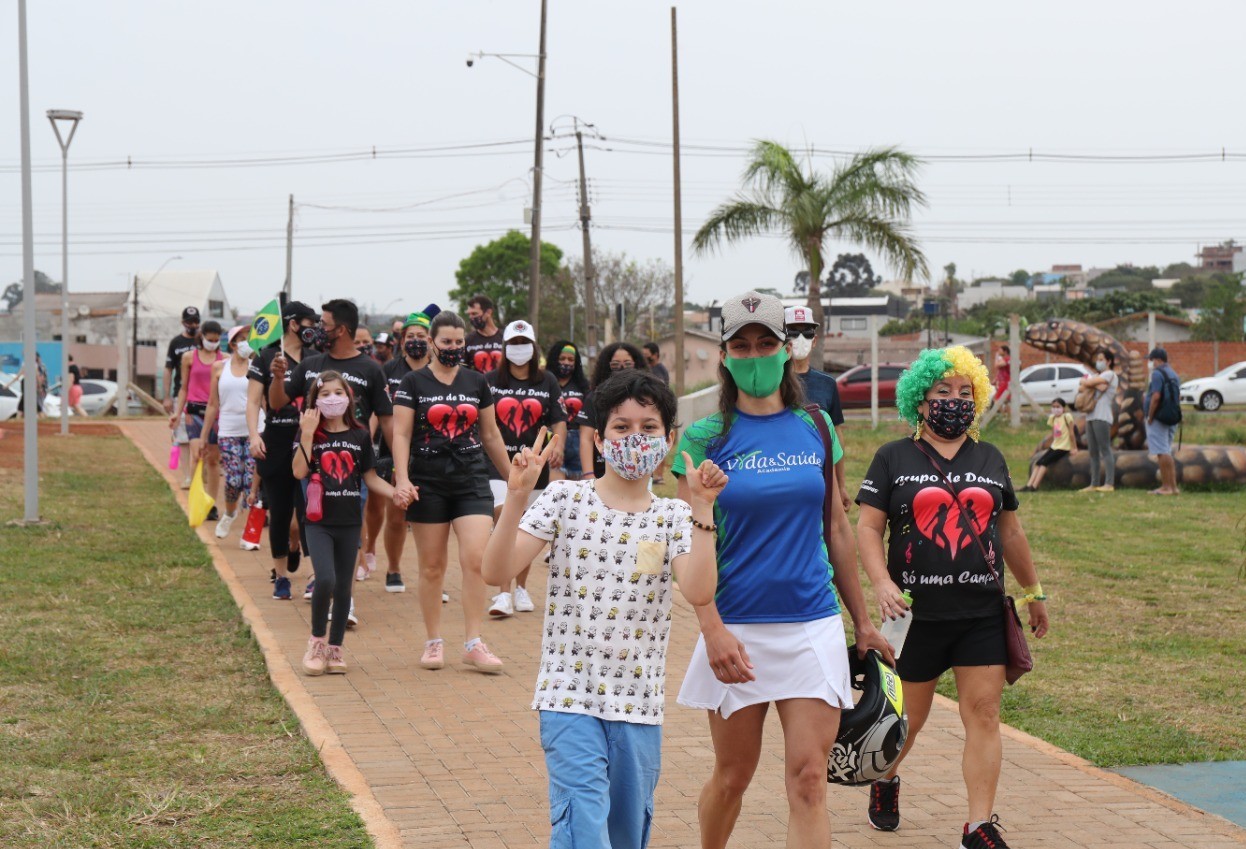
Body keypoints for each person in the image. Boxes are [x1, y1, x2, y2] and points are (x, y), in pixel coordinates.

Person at [672, 290, 891, 849]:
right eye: (740, 346)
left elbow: (837, 528)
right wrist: (712, 629)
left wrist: (862, 621)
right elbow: (690, 545)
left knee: (809, 779)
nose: (753, 355)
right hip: (737, 630)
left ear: (785, 347)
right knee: (732, 777)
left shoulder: (816, 426)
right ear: (723, 355)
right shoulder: (703, 439)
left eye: (765, 343)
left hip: (811, 623)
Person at [482, 370, 724, 849]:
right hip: (567, 698)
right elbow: (496, 571)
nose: (635, 438)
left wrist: (704, 509)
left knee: (627, 832)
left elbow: (698, 591)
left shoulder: (673, 516)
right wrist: (514, 496)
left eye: (649, 427)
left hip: (638, 705)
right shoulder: (564, 499)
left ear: (670, 439)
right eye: (621, 426)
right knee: (583, 827)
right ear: (599, 436)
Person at [855, 345, 1049, 849]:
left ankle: (978, 825)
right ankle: (886, 780)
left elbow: (1010, 533)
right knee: (909, 721)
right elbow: (868, 528)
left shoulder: (990, 458)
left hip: (981, 612)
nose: (955, 401)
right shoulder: (892, 457)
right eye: (943, 392)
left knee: (983, 713)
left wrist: (1033, 592)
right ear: (920, 401)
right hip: (913, 617)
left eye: (966, 392)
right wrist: (881, 582)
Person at [390, 311, 513, 673]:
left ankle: (474, 642)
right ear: (431, 342)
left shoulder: (477, 382)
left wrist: (511, 479)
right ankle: (433, 641)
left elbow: (490, 435)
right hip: (427, 480)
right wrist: (401, 479)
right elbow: (401, 434)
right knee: (431, 567)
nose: (453, 348)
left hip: (472, 477)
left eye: (459, 342)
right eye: (446, 342)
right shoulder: (412, 383)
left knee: (476, 559)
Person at [271, 298, 393, 617]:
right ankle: (326, 586)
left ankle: (345, 598)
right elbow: (278, 400)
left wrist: (400, 467)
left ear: (341, 329)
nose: (317, 330)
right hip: (313, 464)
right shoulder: (309, 365)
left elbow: (387, 417)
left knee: (351, 531)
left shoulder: (370, 369)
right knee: (318, 522)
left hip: (355, 465)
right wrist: (276, 377)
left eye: (323, 325)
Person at [293, 371, 409, 676]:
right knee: (326, 580)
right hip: (318, 522)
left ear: (349, 397)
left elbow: (369, 478)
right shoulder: (310, 433)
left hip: (349, 522)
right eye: (325, 394)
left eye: (338, 393)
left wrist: (396, 492)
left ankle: (335, 647)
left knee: (345, 586)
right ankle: (317, 641)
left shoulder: (359, 435)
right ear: (314, 401)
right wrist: (306, 433)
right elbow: (297, 472)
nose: (332, 399)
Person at [485, 320, 568, 619]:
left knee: (528, 524)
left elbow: (558, 417)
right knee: (505, 518)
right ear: (505, 348)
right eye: (513, 344)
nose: (519, 350)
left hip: (534, 465)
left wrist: (556, 445)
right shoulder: (491, 380)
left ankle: (520, 587)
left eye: (524, 344)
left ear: (533, 348)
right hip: (498, 465)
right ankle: (503, 593)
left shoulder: (547, 381)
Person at [248, 300, 318, 600]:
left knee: (309, 511)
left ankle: (315, 574)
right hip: (276, 441)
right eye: (309, 323)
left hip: (309, 440)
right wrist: (254, 435)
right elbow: (252, 402)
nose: (313, 329)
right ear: (293, 324)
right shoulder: (266, 357)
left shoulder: (317, 358)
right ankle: (281, 576)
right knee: (279, 512)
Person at [372, 305, 440, 593]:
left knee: (435, 518)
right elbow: (377, 409)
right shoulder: (389, 370)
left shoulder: (440, 370)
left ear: (431, 340)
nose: (416, 340)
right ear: (401, 342)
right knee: (397, 515)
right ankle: (394, 568)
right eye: (410, 335)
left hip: (433, 452)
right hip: (394, 451)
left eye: (422, 336)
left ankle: (433, 575)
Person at [785, 305, 849, 511]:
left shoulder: (827, 384)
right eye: (793, 332)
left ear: (815, 340)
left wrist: (841, 485)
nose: (800, 338)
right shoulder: (772, 383)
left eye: (807, 332)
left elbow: (836, 434)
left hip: (821, 477)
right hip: (785, 472)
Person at [201, 326, 259, 540]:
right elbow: (212, 404)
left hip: (255, 430)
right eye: (240, 339)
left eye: (248, 339)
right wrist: (205, 436)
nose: (245, 343)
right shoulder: (219, 368)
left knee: (252, 480)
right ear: (232, 344)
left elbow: (263, 402)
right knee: (234, 480)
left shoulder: (257, 367)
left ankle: (250, 532)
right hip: (228, 431)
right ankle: (230, 513)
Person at [170, 320, 225, 520]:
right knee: (196, 455)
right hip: (193, 411)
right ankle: (196, 499)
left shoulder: (224, 359)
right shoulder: (188, 358)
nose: (213, 343)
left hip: (215, 414)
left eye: (217, 340)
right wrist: (177, 412)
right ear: (202, 337)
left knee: (213, 459)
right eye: (210, 340)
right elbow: (184, 387)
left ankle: (210, 503)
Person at [579, 342, 648, 482]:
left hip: (640, 473)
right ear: (607, 366)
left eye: (627, 363)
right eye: (615, 364)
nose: (622, 368)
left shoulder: (647, 398)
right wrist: (588, 474)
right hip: (602, 473)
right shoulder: (595, 397)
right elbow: (586, 438)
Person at [163, 306, 201, 482]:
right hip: (182, 394)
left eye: (195, 322)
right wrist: (166, 396)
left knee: (205, 436)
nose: (193, 325)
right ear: (183, 323)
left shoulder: (203, 341)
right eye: (189, 322)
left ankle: (203, 472)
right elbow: (168, 370)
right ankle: (188, 476)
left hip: (203, 395)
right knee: (184, 436)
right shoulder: (176, 343)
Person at [546, 339, 590, 482]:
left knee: (578, 493)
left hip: (578, 441)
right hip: (552, 438)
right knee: (555, 492)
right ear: (554, 359)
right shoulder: (546, 383)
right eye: (562, 358)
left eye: (571, 359)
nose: (566, 362)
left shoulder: (583, 385)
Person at [1077, 348, 1118, 493]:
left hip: (1102, 416)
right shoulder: (1098, 376)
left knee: (1105, 449)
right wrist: (1092, 383)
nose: (1098, 362)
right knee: (1093, 451)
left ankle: (1109, 483)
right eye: (1097, 359)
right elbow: (1083, 385)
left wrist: (1089, 382)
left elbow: (1088, 383)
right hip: (1091, 415)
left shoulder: (1110, 374)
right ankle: (1094, 483)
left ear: (1109, 361)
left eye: (1101, 359)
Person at [1020, 397, 1077, 492]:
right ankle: (1028, 485)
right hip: (1055, 446)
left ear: (1063, 408)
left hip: (1063, 447)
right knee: (1038, 462)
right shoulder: (1053, 418)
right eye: (1053, 407)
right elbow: (1053, 434)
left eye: (1058, 407)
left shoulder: (1067, 417)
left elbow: (1071, 433)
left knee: (1043, 463)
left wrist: (1074, 448)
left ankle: (1034, 486)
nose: (1055, 409)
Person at [1145, 347, 1181, 496]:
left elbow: (1156, 397)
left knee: (1162, 452)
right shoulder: (1173, 373)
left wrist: (1150, 416)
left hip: (1159, 417)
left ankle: (1166, 487)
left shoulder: (1157, 374)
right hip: (1171, 416)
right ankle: (1173, 487)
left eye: (1152, 360)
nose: (1151, 363)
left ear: (1157, 360)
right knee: (1166, 450)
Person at [464, 294, 505, 373]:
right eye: (469, 314)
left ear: (488, 312)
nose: (471, 318)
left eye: (474, 314)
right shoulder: (468, 340)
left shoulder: (505, 337)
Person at [993, 345, 1011, 410]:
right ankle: (1006, 416)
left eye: (1000, 350)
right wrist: (996, 379)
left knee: (997, 399)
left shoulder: (1007, 359)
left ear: (1005, 351)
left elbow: (997, 365)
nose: (998, 352)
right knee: (1005, 401)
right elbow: (1000, 372)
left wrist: (996, 357)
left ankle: (999, 415)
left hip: (1005, 383)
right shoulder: (1004, 359)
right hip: (1002, 382)